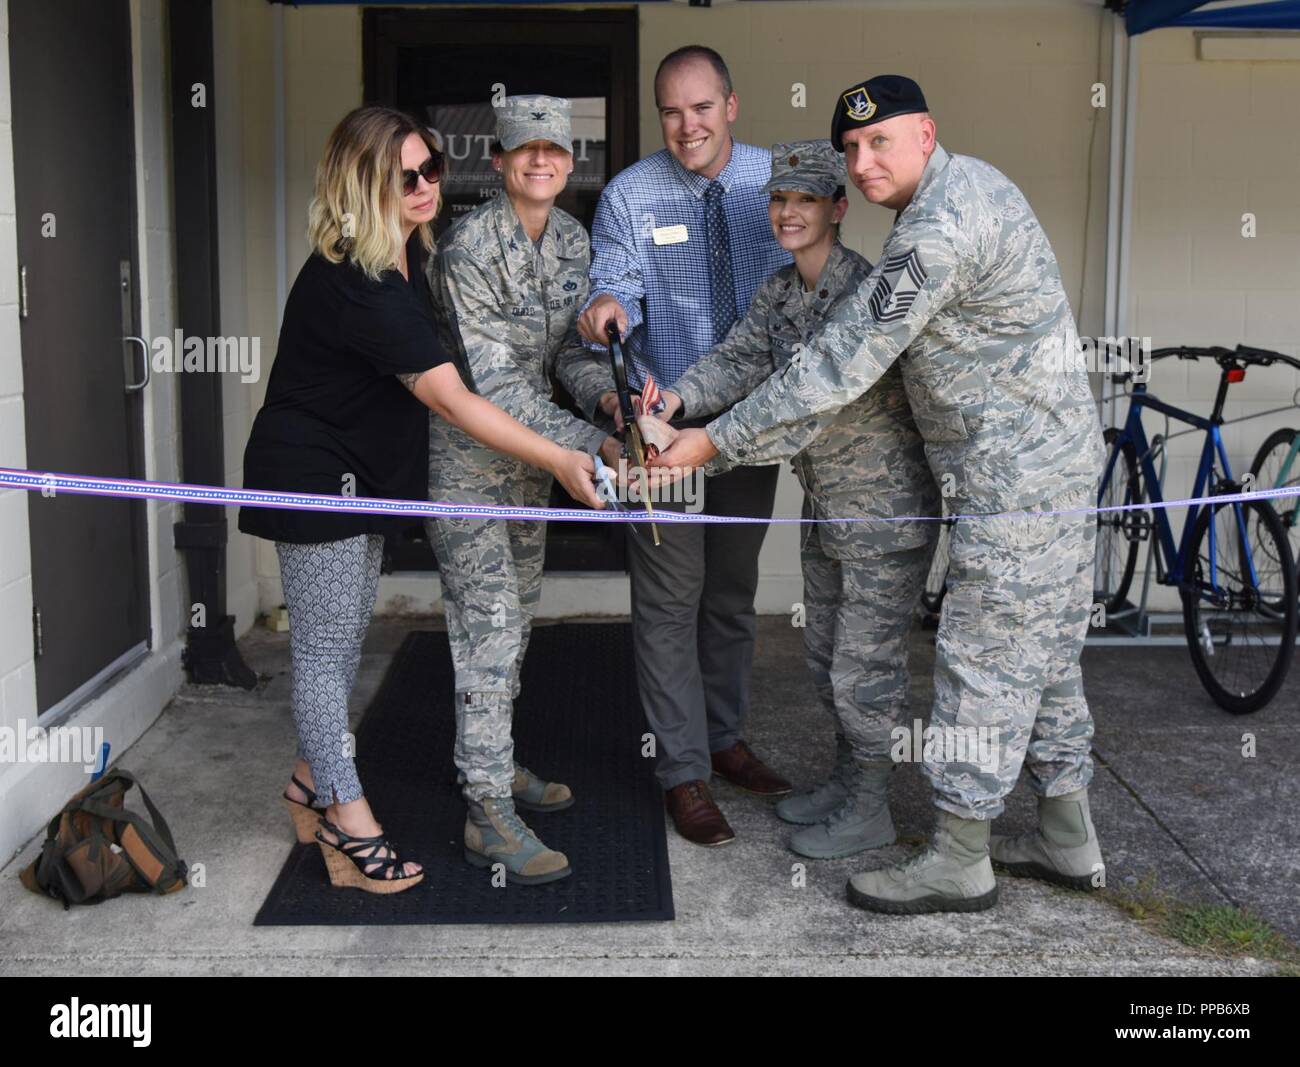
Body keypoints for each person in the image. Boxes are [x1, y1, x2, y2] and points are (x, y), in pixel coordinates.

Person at [654, 76, 1107, 913]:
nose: (863, 163)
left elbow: (842, 360)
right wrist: (685, 402)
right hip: (1019, 471)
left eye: (879, 143)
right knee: (1042, 659)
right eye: (852, 149)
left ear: (927, 135)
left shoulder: (938, 227)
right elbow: (756, 354)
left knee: (983, 657)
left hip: (1018, 482)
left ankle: (960, 857)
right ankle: (1066, 833)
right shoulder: (953, 198)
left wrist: (710, 441)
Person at [239, 105, 603, 895]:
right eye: (406, 176)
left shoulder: (408, 253)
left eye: (433, 167)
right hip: (313, 481)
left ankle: (310, 782)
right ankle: (348, 817)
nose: (426, 185)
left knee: (344, 642)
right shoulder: (361, 279)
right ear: (363, 183)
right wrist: (569, 456)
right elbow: (460, 401)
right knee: (328, 659)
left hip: (358, 477)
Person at [658, 140, 940, 860]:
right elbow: (738, 360)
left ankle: (872, 806)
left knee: (865, 666)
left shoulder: (865, 297)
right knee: (826, 656)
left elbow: (805, 407)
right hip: (826, 503)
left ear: (838, 209)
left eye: (806, 199)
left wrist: (707, 443)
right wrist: (677, 397)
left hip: (882, 512)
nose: (788, 212)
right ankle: (850, 782)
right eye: (780, 199)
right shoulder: (780, 291)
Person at [576, 46, 794, 846]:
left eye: (701, 108)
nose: (686, 125)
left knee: (732, 591)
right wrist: (607, 306)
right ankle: (683, 771)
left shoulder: (775, 178)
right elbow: (616, 280)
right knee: (670, 598)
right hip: (665, 432)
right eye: (671, 110)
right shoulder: (632, 193)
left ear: (730, 106)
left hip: (750, 423)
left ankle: (726, 737)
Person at [425, 95, 620, 885]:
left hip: (532, 469)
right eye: (524, 149)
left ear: (571, 162)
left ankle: (493, 762)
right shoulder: (466, 246)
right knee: (489, 634)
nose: (542, 161)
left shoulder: (573, 239)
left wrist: (607, 397)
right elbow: (496, 385)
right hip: (472, 470)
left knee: (515, 630)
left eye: (556, 149)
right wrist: (588, 443)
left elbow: (560, 359)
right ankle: (485, 814)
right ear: (499, 162)